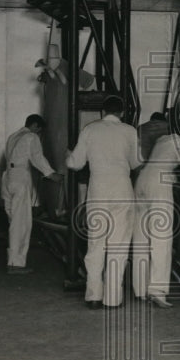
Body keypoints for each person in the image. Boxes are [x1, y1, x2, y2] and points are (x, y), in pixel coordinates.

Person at [66, 95, 141, 309]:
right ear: (122, 113)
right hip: (122, 189)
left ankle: (93, 297)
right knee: (118, 246)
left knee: (96, 243)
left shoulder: (90, 130)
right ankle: (113, 298)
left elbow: (76, 164)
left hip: (98, 189)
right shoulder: (130, 131)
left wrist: (68, 156)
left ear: (102, 112)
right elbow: (136, 163)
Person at [132, 119, 180, 308]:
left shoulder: (162, 140)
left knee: (141, 237)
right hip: (160, 183)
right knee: (161, 237)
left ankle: (140, 289)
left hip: (142, 181)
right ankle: (157, 291)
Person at [2, 114, 60, 274]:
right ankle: (15, 265)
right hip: (20, 178)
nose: (39, 134)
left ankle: (12, 261)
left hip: (7, 178)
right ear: (35, 126)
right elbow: (37, 157)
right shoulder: (31, 136)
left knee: (14, 221)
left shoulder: (13, 136)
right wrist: (51, 174)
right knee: (21, 223)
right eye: (39, 130)